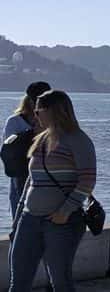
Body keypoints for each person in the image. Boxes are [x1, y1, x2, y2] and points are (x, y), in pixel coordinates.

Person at [7, 90, 94, 292]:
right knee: (18, 279)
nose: (35, 115)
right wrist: (19, 216)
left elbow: (87, 179)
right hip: (29, 218)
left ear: (55, 111)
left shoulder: (78, 139)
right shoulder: (40, 139)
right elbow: (32, 180)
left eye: (39, 111)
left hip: (61, 222)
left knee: (60, 281)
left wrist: (65, 211)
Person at [3, 81, 51, 239]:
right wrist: (32, 134)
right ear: (30, 101)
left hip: (46, 184)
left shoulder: (52, 122)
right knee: (20, 232)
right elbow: (8, 154)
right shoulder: (15, 122)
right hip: (21, 181)